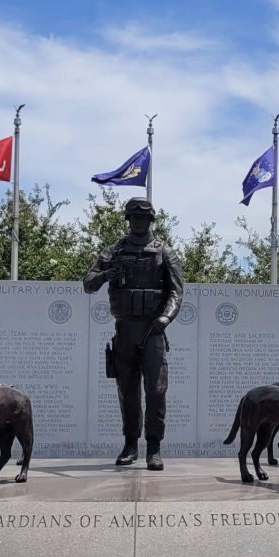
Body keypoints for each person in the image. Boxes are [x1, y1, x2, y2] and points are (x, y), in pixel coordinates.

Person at [83, 197, 184, 470]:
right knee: (127, 392)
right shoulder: (112, 252)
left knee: (156, 391)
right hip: (125, 330)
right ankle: (130, 445)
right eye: (134, 218)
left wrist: (166, 316)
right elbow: (88, 283)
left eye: (143, 218)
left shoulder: (165, 252)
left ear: (151, 220)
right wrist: (106, 275)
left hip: (153, 331)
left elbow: (176, 291)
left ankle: (154, 448)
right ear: (128, 220)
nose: (139, 222)